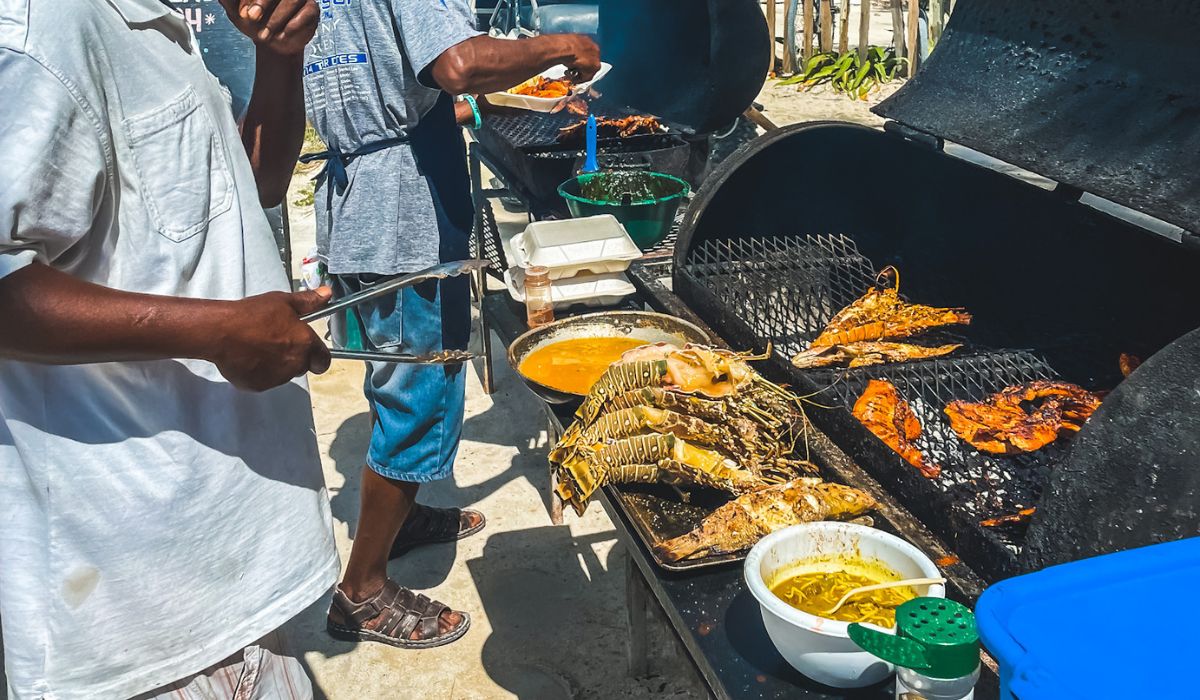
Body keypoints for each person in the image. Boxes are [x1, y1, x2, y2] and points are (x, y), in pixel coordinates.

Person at [0, 0, 338, 697]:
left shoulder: (151, 22)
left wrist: (280, 55)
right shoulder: (44, 30)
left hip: (218, 573)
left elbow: (259, 182)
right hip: (139, 603)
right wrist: (217, 332)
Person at [302, 2, 599, 647]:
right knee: (417, 394)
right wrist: (562, 46)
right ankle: (362, 592)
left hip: (360, 197)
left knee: (393, 376)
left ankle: (400, 524)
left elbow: (403, 99)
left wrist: (492, 106)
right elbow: (458, 63)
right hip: (401, 216)